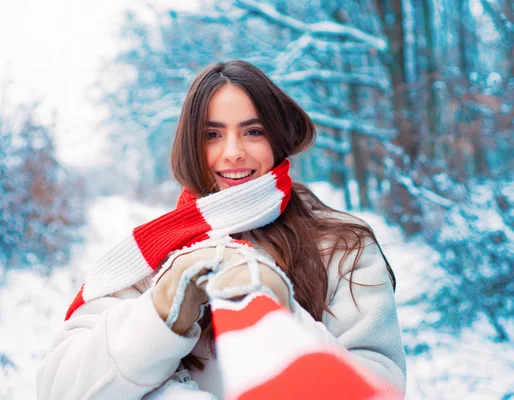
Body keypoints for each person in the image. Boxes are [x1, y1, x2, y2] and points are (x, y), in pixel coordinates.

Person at [37, 60, 406, 399]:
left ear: (277, 139)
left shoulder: (343, 244)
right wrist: (162, 312)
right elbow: (59, 387)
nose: (232, 152)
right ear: (190, 146)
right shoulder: (152, 252)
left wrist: (277, 305)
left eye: (253, 131)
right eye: (212, 135)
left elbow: (379, 387)